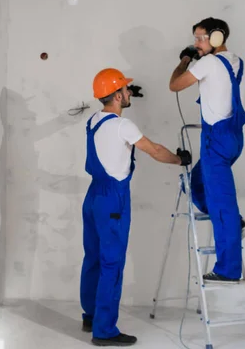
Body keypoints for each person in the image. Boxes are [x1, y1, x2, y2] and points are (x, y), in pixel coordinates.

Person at [81, 68, 191, 347]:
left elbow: (111, 118)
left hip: (93, 196)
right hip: (113, 201)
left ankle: (91, 316)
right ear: (117, 95)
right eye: (126, 90)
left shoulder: (94, 120)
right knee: (111, 264)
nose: (130, 93)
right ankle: (104, 331)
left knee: (93, 258)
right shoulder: (123, 126)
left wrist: (122, 96)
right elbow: (154, 150)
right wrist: (179, 160)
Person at [169, 17, 245, 284]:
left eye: (200, 38)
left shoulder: (209, 62)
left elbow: (175, 84)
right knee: (196, 185)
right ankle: (236, 224)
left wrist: (185, 59)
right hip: (233, 137)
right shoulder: (237, 61)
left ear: (217, 37)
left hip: (216, 140)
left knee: (221, 204)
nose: (196, 43)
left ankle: (227, 270)